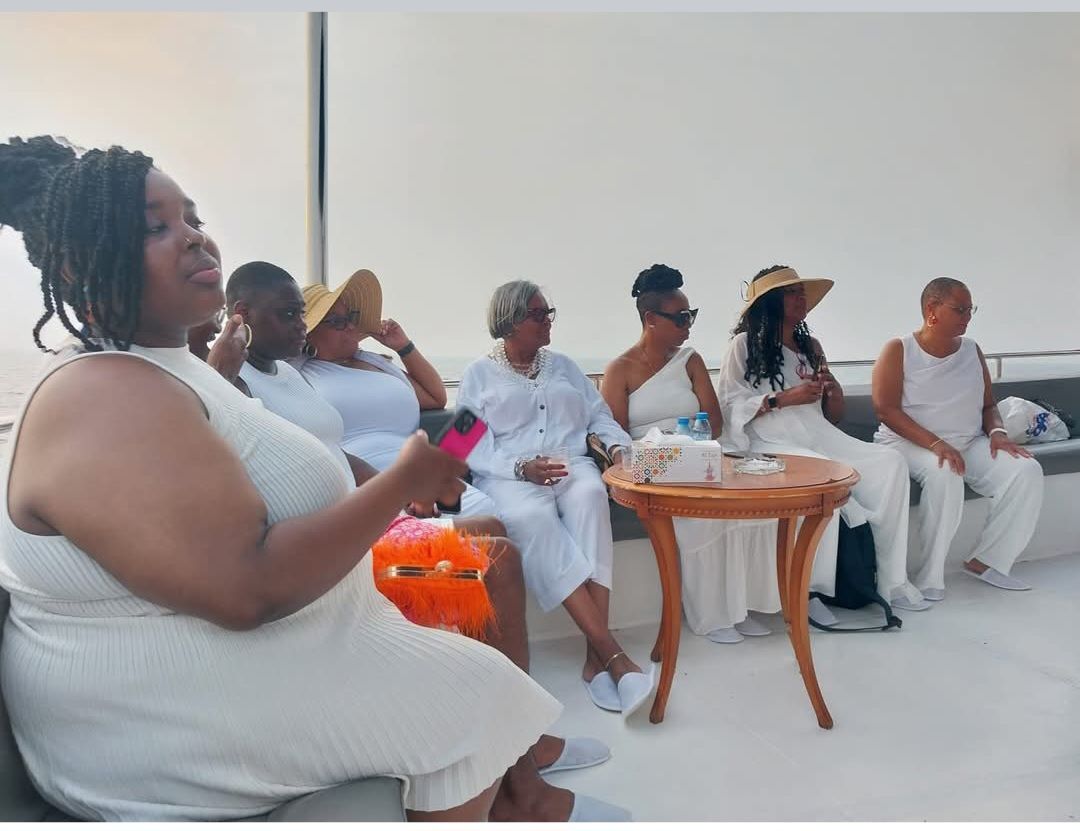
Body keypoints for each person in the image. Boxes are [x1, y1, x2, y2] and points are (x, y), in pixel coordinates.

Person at [0, 135, 564, 822]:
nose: (195, 240)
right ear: (77, 260)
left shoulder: (162, 369)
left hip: (249, 655)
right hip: (151, 721)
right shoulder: (101, 394)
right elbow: (247, 587)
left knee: (486, 685)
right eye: (157, 226)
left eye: (193, 219)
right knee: (486, 698)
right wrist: (402, 480)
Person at [221, 260, 619, 820]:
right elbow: (467, 425)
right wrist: (498, 467)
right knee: (501, 549)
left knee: (521, 524)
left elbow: (435, 402)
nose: (334, 327)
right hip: (369, 529)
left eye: (346, 317)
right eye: (319, 318)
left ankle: (519, 743)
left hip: (406, 490)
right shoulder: (289, 374)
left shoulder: (370, 366)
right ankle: (524, 767)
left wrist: (402, 351)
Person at [456, 280, 654, 718]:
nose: (548, 321)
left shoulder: (564, 366)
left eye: (549, 312)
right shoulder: (478, 375)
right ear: (509, 322)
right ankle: (610, 652)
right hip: (510, 475)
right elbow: (460, 443)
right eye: (538, 314)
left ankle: (591, 657)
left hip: (571, 465)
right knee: (530, 518)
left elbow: (600, 415)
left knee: (589, 496)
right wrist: (519, 468)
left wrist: (619, 449)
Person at [717, 264, 928, 618]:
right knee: (821, 479)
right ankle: (810, 592)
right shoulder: (742, 346)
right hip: (772, 442)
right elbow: (728, 406)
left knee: (890, 464)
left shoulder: (809, 347)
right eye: (790, 293)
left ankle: (891, 580)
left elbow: (833, 416)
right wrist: (784, 398)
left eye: (802, 293)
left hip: (820, 436)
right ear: (769, 302)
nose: (800, 299)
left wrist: (832, 391)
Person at [602, 264, 779, 643]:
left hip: (697, 456)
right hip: (650, 464)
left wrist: (686, 442)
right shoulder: (619, 370)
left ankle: (740, 606)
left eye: (691, 315)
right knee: (704, 519)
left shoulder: (691, 360)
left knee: (745, 511)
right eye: (681, 318)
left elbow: (714, 422)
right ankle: (711, 617)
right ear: (651, 319)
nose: (688, 325)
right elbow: (614, 435)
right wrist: (663, 445)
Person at [872, 277, 1043, 597]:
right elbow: (886, 410)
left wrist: (998, 432)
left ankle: (988, 560)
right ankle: (929, 577)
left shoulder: (971, 349)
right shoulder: (899, 349)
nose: (967, 316)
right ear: (931, 310)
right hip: (908, 443)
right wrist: (937, 444)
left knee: (1025, 470)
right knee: (946, 472)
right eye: (960, 309)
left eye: (970, 309)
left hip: (967, 441)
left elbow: (989, 403)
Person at [297, 271, 497, 518]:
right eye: (337, 321)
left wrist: (403, 346)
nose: (350, 326)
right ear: (310, 331)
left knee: (485, 510)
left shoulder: (376, 363)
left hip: (418, 471)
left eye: (350, 317)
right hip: (363, 480)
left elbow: (436, 397)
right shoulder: (300, 373)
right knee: (471, 526)